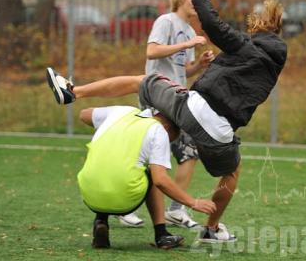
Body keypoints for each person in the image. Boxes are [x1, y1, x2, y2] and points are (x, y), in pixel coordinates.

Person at [46, 0, 287, 243]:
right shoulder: (273, 64)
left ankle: (73, 92)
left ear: (257, 33)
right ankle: (209, 228)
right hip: (219, 131)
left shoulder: (248, 47)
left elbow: (214, 24)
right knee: (231, 172)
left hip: (191, 107)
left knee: (141, 83)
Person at [119, 0, 214, 230]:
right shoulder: (166, 21)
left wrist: (199, 65)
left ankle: (175, 210)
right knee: (146, 157)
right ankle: (124, 207)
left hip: (177, 99)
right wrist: (186, 44)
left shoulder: (191, 31)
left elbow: (183, 70)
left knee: (190, 152)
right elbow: (152, 52)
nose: (198, 3)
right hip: (157, 98)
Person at [76, 105, 216, 249]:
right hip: (122, 198)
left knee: (107, 168)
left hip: (88, 192)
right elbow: (160, 181)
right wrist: (193, 202)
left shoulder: (122, 111)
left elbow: (84, 114)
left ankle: (101, 220)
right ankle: (161, 235)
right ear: (167, 127)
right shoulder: (159, 130)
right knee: (153, 172)